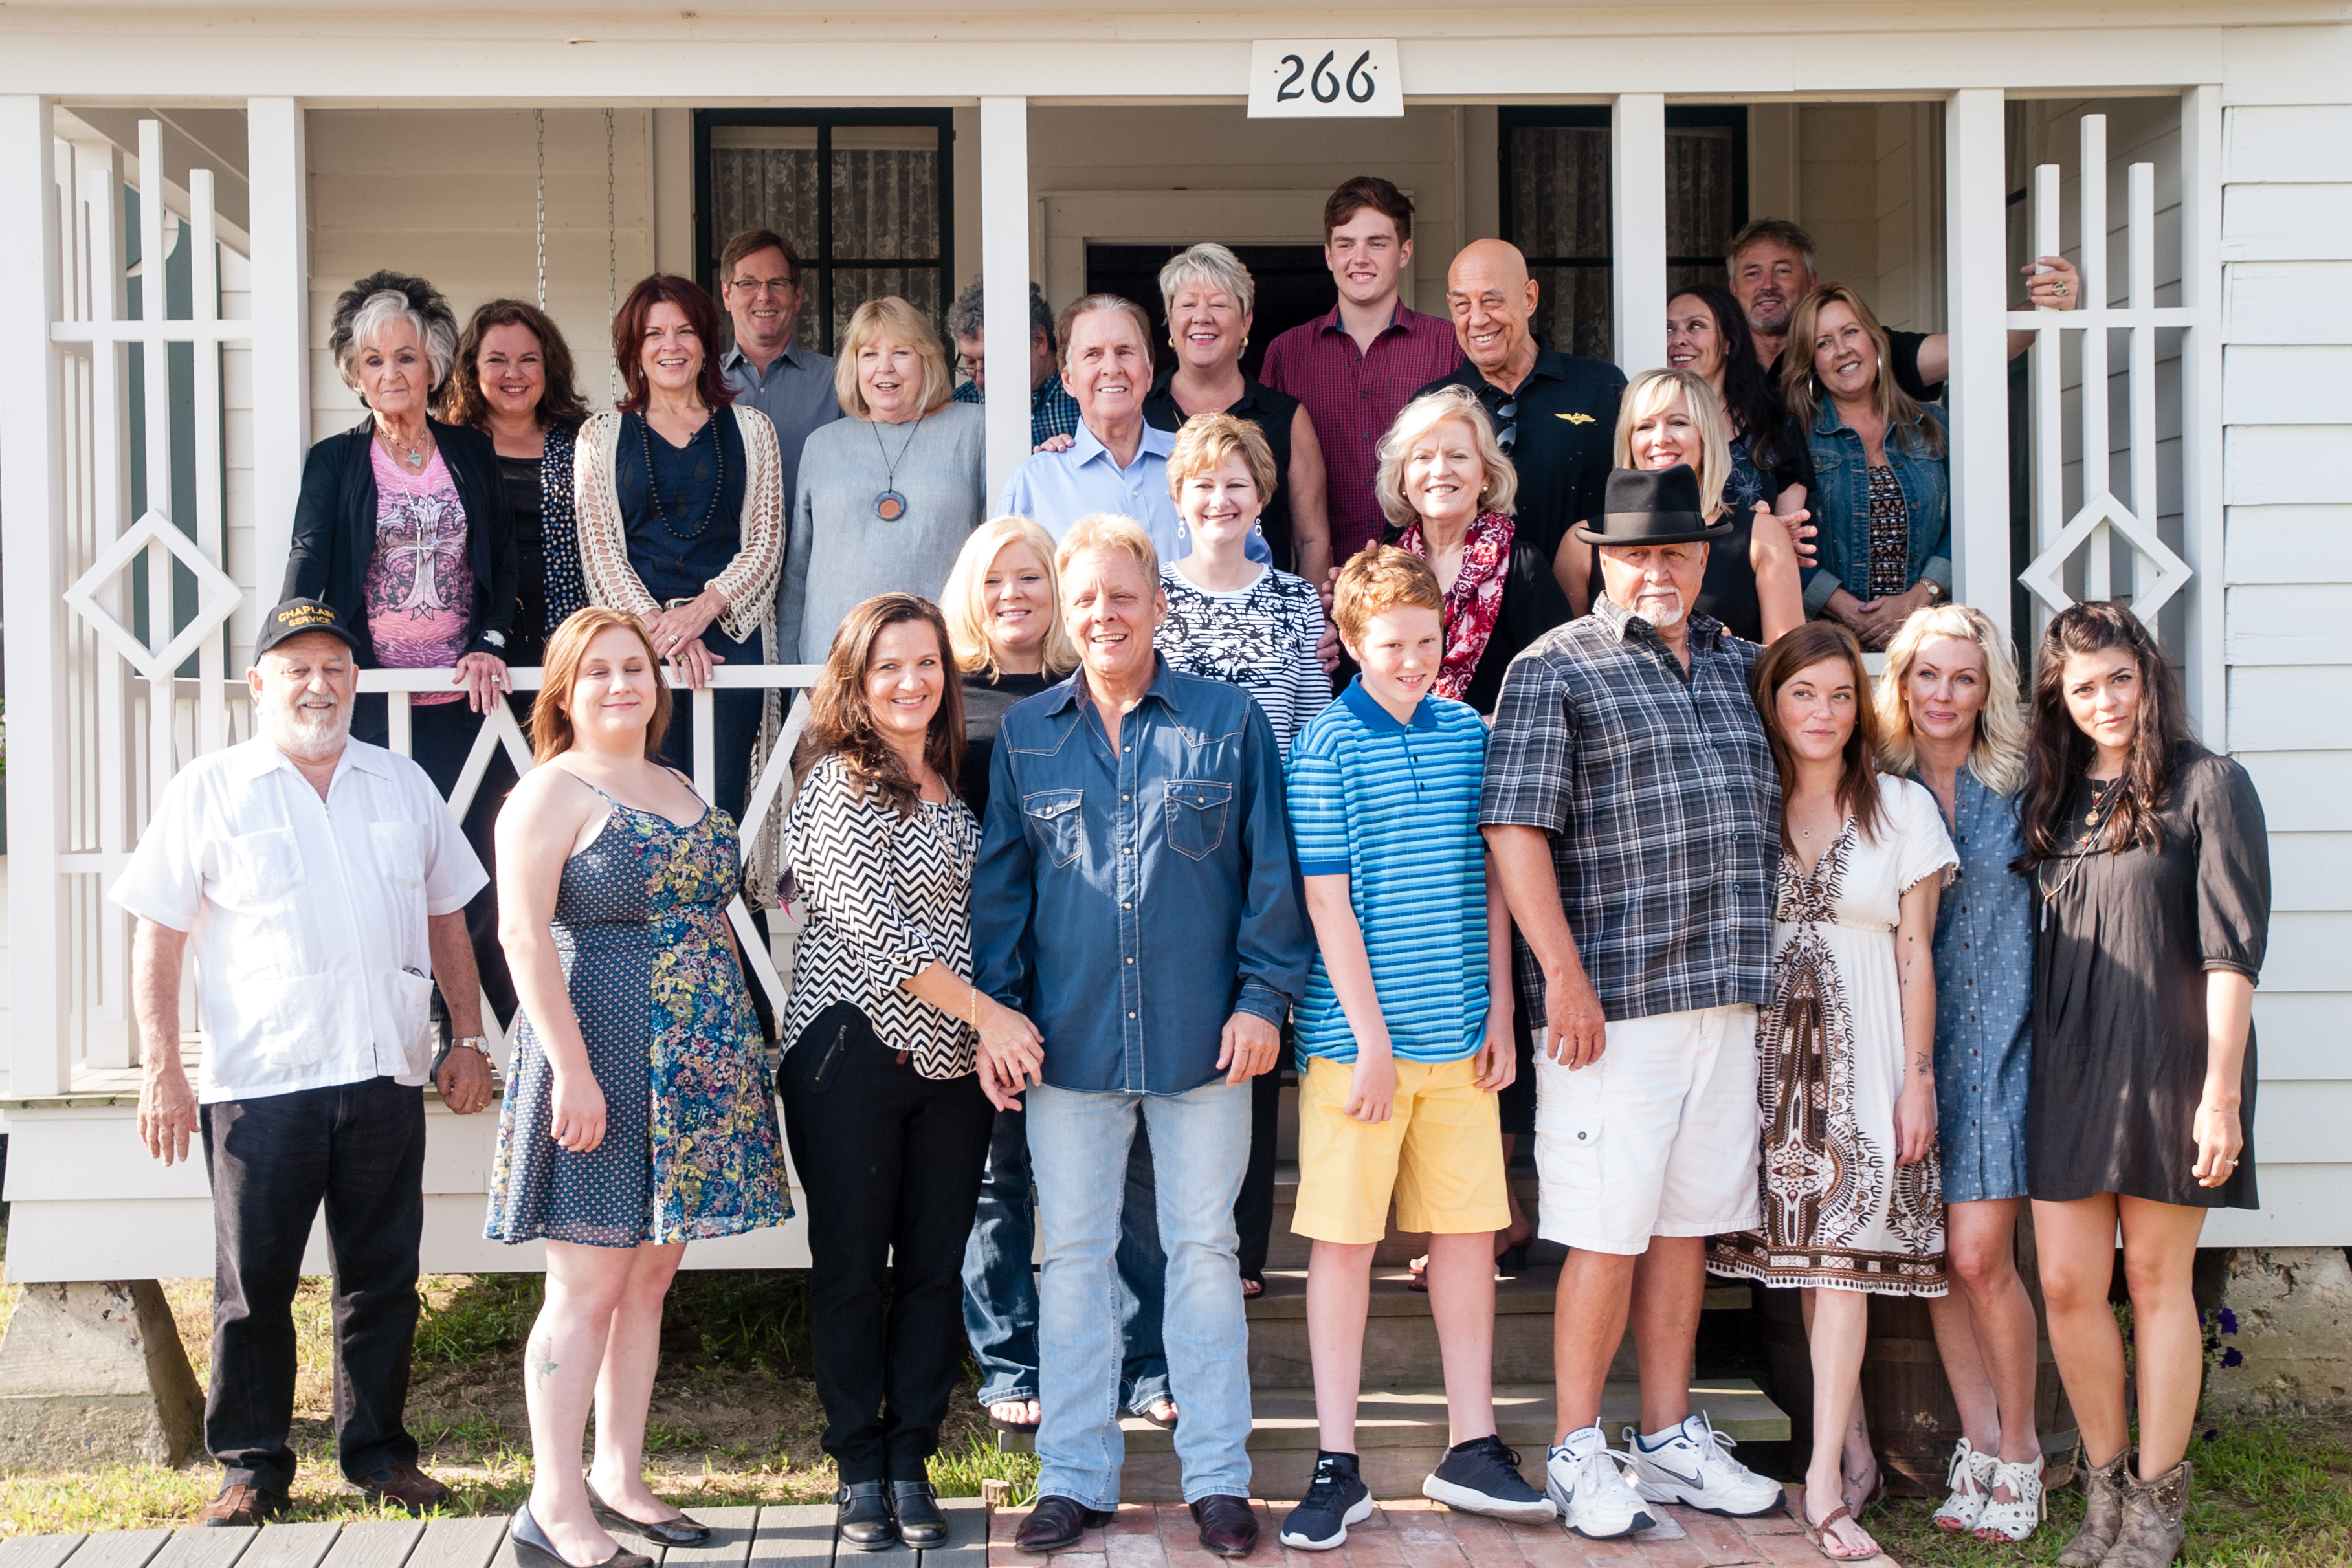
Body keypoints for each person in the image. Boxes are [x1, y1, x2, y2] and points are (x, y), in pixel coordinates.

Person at [115, 598, 494, 1527]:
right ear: (259, 684)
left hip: (382, 1069)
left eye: (333, 666)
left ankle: (378, 1453)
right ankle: (251, 1464)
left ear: (354, 680)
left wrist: (470, 1034)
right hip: (262, 1082)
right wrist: (162, 1066)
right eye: (296, 668)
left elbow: (449, 911)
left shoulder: (400, 783)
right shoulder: (210, 787)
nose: (317, 684)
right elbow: (157, 935)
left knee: (383, 1278)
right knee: (255, 1286)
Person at [973, 515, 1311, 1559]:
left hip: (1202, 1040)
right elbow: (1001, 889)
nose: (1102, 615)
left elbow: (1269, 869)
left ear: (1158, 605)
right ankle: (1074, 1477)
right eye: (1085, 602)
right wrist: (997, 1013)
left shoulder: (1226, 723)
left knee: (1202, 1254)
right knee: (1070, 1257)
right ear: (1067, 619)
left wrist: (1264, 998)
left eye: (1122, 597)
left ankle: (1217, 1478)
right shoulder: (1028, 734)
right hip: (1065, 1045)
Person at [1479, 466, 1786, 1540]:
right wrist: (1559, 974)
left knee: (1683, 1228)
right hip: (1608, 1002)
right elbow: (1514, 830)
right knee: (1603, 1231)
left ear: (1703, 558)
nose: (1654, 569)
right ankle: (1574, 1447)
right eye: (1634, 554)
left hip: (1724, 990)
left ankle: (1665, 1440)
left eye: (1673, 552)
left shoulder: (1742, 669)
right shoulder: (1550, 669)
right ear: (1601, 559)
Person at [485, 607, 789, 1568]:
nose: (623, 684)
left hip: (694, 1057)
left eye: (635, 668)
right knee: (586, 1280)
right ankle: (552, 1504)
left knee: (651, 1273)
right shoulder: (549, 792)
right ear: (566, 692)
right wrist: (570, 1069)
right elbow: (523, 936)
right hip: (603, 1050)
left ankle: (618, 1473)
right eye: (600, 671)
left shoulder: (671, 781)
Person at [1276, 547, 1548, 1552]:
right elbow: (1325, 900)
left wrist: (1499, 1009)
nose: (1410, 660)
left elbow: (1492, 879)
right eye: (1388, 645)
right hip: (1360, 1045)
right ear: (1349, 645)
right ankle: (1336, 1461)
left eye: (1427, 642)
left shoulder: (1470, 736)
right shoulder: (1323, 746)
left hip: (1459, 1036)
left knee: (1468, 1235)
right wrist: (1376, 1042)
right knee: (1344, 1241)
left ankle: (1471, 1441)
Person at [777, 594, 1043, 1551]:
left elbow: (981, 920)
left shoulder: (951, 780)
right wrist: (994, 1016)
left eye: (927, 662)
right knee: (853, 1266)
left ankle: (911, 1456)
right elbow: (873, 930)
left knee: (932, 1268)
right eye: (889, 664)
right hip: (850, 1054)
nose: (911, 681)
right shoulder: (837, 783)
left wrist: (984, 1029)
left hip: (948, 1067)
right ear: (856, 676)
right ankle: (855, 1465)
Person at [2018, 601, 2269, 1568]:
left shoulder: (2209, 783)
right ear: (2061, 698)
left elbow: (2231, 949)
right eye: (2083, 686)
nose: (2104, 700)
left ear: (2147, 675)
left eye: (2118, 678)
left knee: (2157, 1279)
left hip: (2174, 1064)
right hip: (2070, 1062)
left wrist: (2221, 1092)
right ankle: (2105, 1489)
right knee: (2068, 1280)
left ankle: (2156, 1508)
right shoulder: (2054, 792)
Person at [1708, 621, 1957, 1563]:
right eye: (1803, 692)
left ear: (1862, 709)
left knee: (1840, 1261)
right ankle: (1849, 1451)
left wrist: (1918, 1080)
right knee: (1811, 1266)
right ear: (1771, 702)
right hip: (1762, 1064)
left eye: (1841, 694)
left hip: (1867, 1061)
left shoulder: (1898, 808)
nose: (1823, 711)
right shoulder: (1749, 798)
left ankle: (1818, 1482)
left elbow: (1915, 955)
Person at [943, 519, 1177, 1438]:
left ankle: (1140, 1357)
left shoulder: (1093, 693)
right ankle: (1009, 1358)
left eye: (1033, 575)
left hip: (1090, 963)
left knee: (1127, 1174)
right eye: (995, 577)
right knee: (1001, 1179)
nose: (1015, 593)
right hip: (982, 971)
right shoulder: (947, 698)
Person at [1874, 604, 2047, 1543]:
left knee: (1981, 1255)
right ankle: (1975, 1444)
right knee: (1936, 1260)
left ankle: (2020, 1451)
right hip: (1907, 1052)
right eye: (1926, 675)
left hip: (2005, 1044)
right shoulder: (1881, 782)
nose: (1942, 694)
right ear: (1901, 682)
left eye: (1963, 678)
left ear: (1989, 690)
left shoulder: (2020, 787)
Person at [1155, 414, 1331, 1300]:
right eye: (1203, 484)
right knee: (1183, 1024)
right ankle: (1174, 1234)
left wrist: (1293, 849)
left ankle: (1243, 1248)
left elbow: (1307, 724)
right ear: (1177, 497)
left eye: (1236, 484)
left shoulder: (1298, 601)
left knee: (1259, 1033)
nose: (1219, 500)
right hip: (1172, 851)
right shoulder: (1150, 595)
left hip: (1268, 844)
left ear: (1261, 496)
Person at [285, 271, 519, 792]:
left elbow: (504, 561)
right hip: (372, 698)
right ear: (357, 374)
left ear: (431, 366)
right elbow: (307, 559)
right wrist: (287, 650)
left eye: (405, 357)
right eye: (374, 360)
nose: (390, 373)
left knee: (466, 845)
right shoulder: (333, 461)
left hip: (466, 695)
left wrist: (491, 639)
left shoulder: (472, 452)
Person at [574, 274, 784, 826]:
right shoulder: (600, 436)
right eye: (654, 334)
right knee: (647, 802)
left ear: (708, 342)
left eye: (686, 331)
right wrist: (657, 629)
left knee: (727, 804)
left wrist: (699, 614)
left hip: (731, 639)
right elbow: (599, 552)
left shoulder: (753, 431)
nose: (671, 346)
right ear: (634, 350)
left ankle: (737, 917)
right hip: (638, 648)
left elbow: (765, 543)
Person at [439, 296, 594, 1026]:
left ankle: (557, 1000)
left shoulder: (581, 441)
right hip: (479, 659)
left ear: (550, 365)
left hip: (562, 659)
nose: (513, 372)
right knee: (477, 831)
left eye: (528, 358)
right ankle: (481, 1008)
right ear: (473, 367)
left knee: (556, 832)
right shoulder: (451, 447)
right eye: (496, 358)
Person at [1261, 177, 1464, 567]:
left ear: (1404, 252)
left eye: (1377, 243)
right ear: (1328, 255)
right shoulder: (1287, 354)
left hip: (1426, 575)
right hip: (1319, 582)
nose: (1360, 258)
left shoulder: (1447, 347)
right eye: (1346, 244)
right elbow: (1267, 478)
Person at [777, 296, 987, 664]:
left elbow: (997, 553)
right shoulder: (822, 445)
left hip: (941, 663)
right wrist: (788, 673)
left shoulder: (974, 429)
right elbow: (797, 573)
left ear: (926, 359)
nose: (884, 369)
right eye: (869, 354)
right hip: (833, 665)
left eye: (901, 353)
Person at [1414, 239, 1625, 596]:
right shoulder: (1435, 407)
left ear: (1529, 298)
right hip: (1473, 626)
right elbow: (1410, 523)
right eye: (1463, 304)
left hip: (1591, 613)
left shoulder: (1601, 386)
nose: (1477, 319)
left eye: (1492, 301)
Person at [999, 296, 1267, 569]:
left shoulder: (1203, 464)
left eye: (1125, 351)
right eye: (1093, 354)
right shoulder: (1033, 484)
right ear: (1068, 380)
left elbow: (1254, 572)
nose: (1112, 368)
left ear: (1149, 373)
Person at [1142, 243, 1333, 586]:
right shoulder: (1139, 411)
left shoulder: (1285, 417)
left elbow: (1312, 541)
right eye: (1187, 304)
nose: (1202, 317)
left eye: (1219, 304)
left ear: (1246, 322)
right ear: (1170, 322)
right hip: (1158, 621)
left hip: (1267, 624)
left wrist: (1313, 626)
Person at [1725, 217, 2081, 400]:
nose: (1768, 285)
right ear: (1733, 288)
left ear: (1811, 281)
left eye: (1783, 270)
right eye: (1752, 273)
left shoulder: (1857, 355)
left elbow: (1972, 349)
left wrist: (2048, 305)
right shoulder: (1713, 364)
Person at [1375, 387, 1570, 716]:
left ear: (1486, 475)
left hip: (1496, 760)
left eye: (1458, 456)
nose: (1440, 470)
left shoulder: (1522, 567)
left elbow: (1561, 684)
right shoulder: (1382, 573)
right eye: (1422, 457)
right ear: (1403, 480)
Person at [1782, 284, 1950, 650]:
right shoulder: (1795, 436)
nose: (1841, 349)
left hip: (1928, 643)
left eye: (1850, 332)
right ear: (1810, 362)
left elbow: (1965, 526)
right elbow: (1782, 542)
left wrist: (1916, 601)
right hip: (1831, 643)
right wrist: (1848, 609)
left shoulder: (1933, 426)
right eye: (1823, 343)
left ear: (1875, 340)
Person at [1596, 368, 1803, 643]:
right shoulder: (1582, 544)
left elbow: (1789, 664)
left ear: (1706, 436)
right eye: (1645, 426)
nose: (1661, 438)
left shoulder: (1762, 537)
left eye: (1679, 423)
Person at [717, 227, 843, 513]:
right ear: (726, 295)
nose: (764, 296)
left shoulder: (839, 381)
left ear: (797, 295)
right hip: (717, 558)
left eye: (777, 283)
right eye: (748, 283)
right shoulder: (699, 381)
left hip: (813, 557)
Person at [947, 276, 1082, 447]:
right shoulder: (960, 409)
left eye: (994, 363)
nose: (980, 380)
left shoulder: (1087, 395)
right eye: (970, 362)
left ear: (1039, 340)